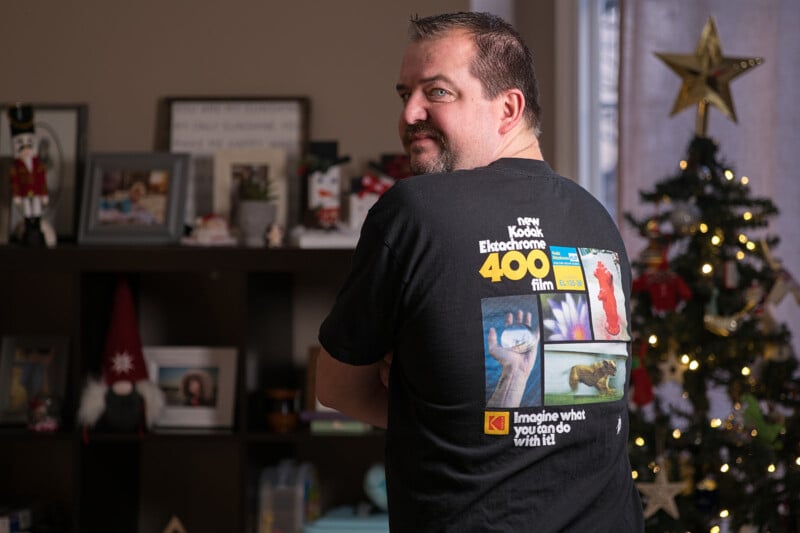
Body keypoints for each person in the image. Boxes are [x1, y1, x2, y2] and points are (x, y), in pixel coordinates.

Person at [316, 12, 644, 532]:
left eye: (437, 92)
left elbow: (337, 388)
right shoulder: (595, 219)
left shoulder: (414, 211)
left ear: (508, 107)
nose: (410, 112)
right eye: (404, 94)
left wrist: (420, 395)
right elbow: (578, 411)